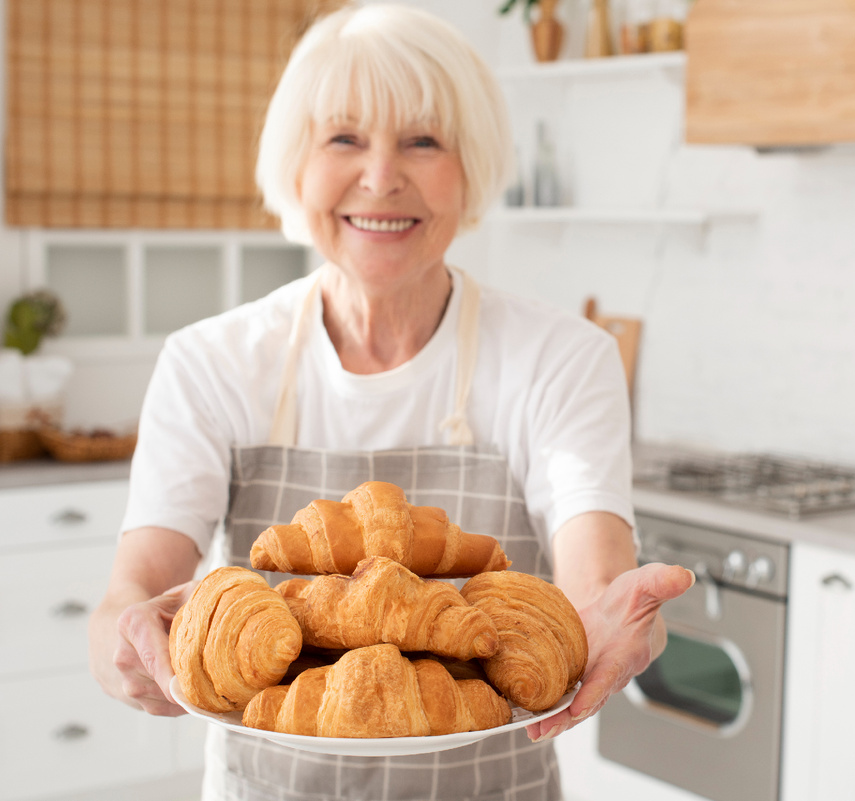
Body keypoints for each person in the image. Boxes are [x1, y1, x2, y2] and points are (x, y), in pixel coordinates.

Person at [86, 5, 694, 800]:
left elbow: (591, 585)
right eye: (344, 139)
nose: (380, 177)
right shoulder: (212, 363)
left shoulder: (561, 357)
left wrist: (613, 620)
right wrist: (121, 647)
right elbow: (130, 595)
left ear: (470, 166)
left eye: (423, 141)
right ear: (295, 165)